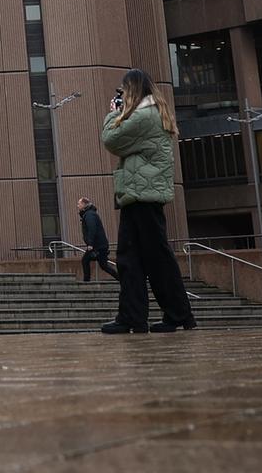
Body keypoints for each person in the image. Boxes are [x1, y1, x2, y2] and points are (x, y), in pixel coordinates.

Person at [100, 70, 198, 335]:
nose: (119, 97)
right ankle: (139, 317)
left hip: (143, 195)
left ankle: (172, 314)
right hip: (139, 194)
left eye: (122, 92)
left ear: (132, 90)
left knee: (150, 258)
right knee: (134, 259)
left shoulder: (144, 116)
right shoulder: (151, 113)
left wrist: (112, 114)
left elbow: (112, 139)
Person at [77, 197, 118, 283]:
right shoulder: (89, 214)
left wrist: (90, 244)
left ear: (84, 205)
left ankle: (86, 282)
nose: (78, 206)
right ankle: (121, 279)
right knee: (104, 265)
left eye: (79, 204)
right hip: (100, 245)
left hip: (97, 246)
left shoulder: (89, 215)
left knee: (85, 260)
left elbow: (92, 229)